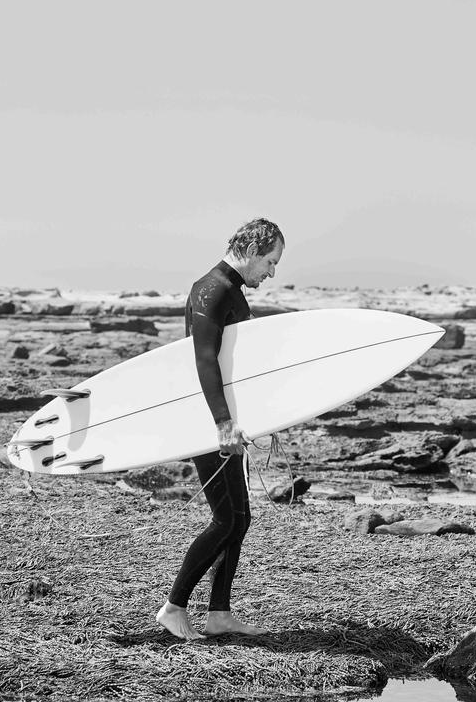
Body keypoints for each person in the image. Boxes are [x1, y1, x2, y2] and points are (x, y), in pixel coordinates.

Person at [156, 218, 285, 640]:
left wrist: (265, 415)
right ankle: (174, 608)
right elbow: (205, 360)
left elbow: (236, 366)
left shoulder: (227, 289)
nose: (271, 272)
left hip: (225, 418)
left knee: (240, 518)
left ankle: (219, 614)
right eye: (269, 261)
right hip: (211, 421)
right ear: (251, 248)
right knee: (226, 519)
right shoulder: (213, 289)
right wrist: (223, 422)